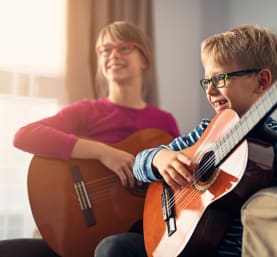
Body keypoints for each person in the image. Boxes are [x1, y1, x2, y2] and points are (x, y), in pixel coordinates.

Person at [94, 25, 277, 257]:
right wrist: (159, 157)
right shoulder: (206, 131)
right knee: (113, 247)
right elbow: (139, 165)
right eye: (207, 81)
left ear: (261, 82)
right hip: (175, 241)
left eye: (219, 79)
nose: (210, 90)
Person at [1, 21, 180, 257]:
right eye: (105, 50)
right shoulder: (87, 111)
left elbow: (179, 185)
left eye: (124, 47)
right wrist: (105, 153)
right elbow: (24, 136)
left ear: (144, 59)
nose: (113, 55)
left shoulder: (163, 122)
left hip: (131, 235)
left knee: (112, 248)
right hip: (76, 233)